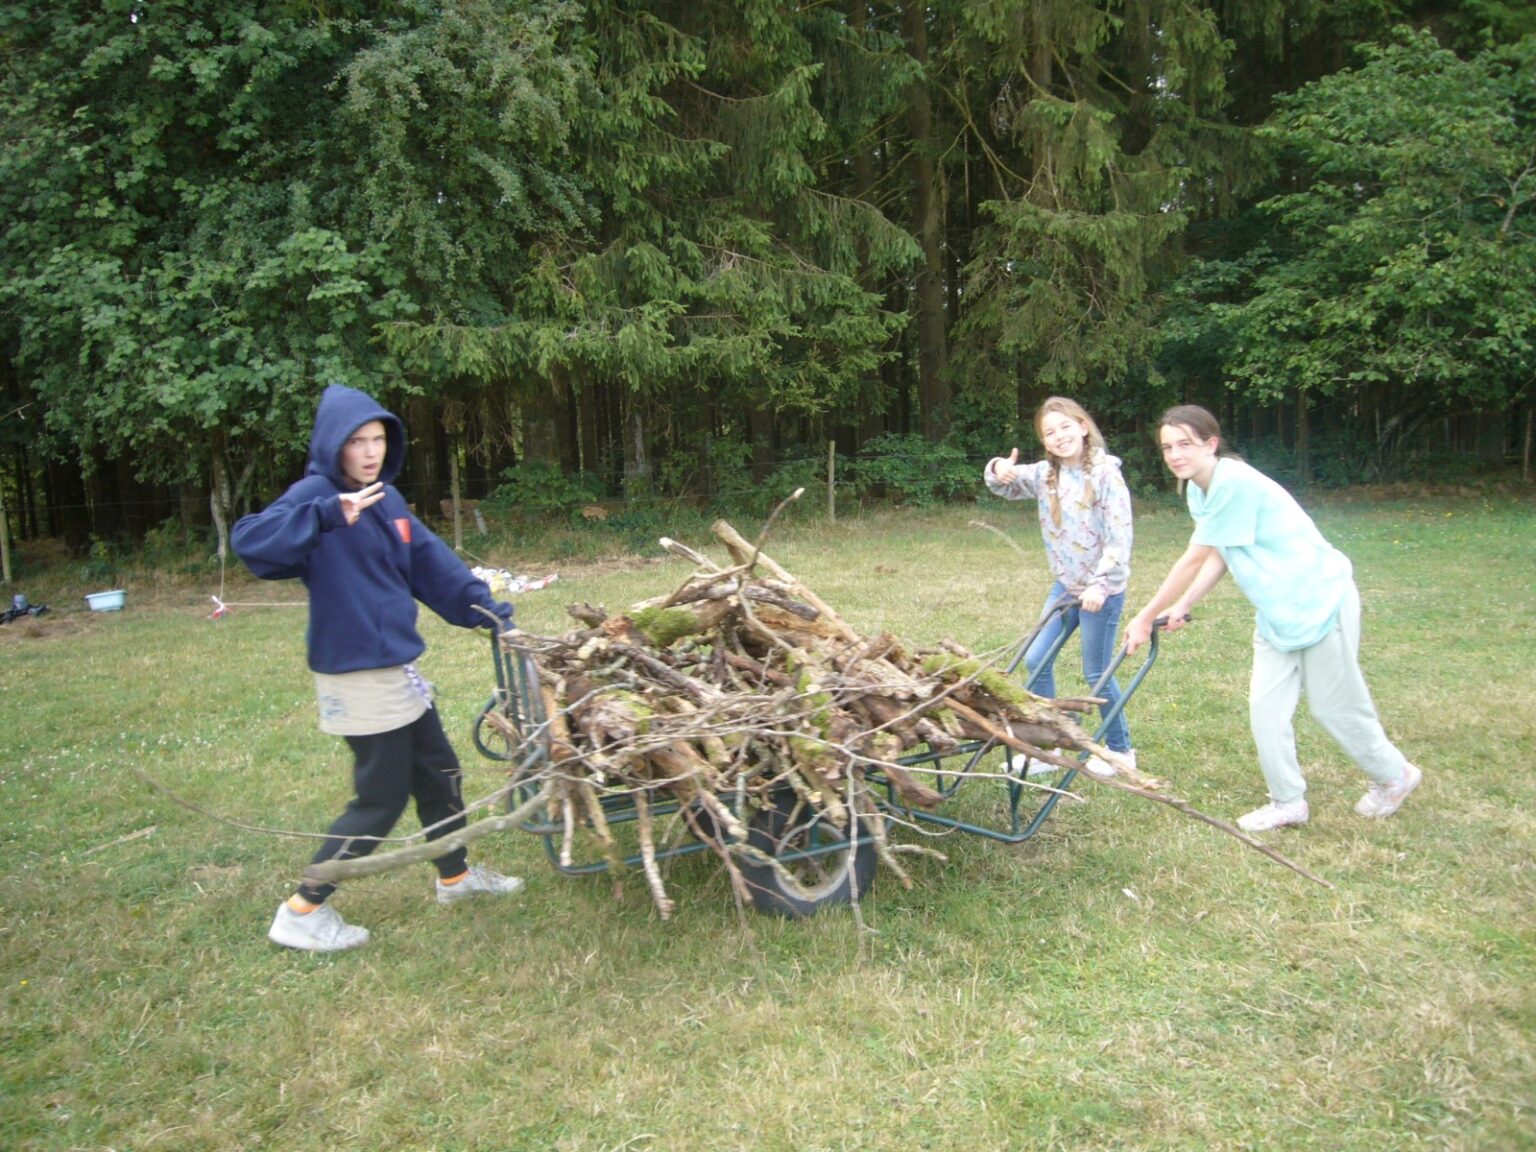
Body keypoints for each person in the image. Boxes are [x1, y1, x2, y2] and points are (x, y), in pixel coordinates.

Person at [232, 383, 525, 951]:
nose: (369, 452)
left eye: (378, 439)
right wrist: (326, 515)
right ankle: (301, 911)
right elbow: (252, 543)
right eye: (356, 441)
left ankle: (456, 878)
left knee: (439, 774)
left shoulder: (385, 499)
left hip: (396, 669)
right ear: (332, 445)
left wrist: (491, 613)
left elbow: (431, 566)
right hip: (356, 673)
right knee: (380, 799)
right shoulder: (316, 495)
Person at [1123, 404, 1423, 832]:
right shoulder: (1197, 490)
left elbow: (1193, 557)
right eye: (1167, 447)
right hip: (1277, 610)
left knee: (1334, 706)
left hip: (1319, 599)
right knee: (1266, 707)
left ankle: (1395, 776)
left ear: (1210, 444)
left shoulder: (1233, 482)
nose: (1174, 455)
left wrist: (1144, 615)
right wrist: (1185, 602)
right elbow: (1220, 548)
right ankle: (1288, 802)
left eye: (1184, 444)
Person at [984, 396, 1135, 778]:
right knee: (1036, 660)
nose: (1059, 436)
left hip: (1101, 593)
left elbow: (1119, 539)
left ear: (1083, 427)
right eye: (1050, 432)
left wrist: (1100, 585)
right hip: (1065, 587)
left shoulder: (1106, 475)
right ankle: (1050, 746)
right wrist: (999, 467)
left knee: (1097, 673)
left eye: (1065, 426)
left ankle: (1121, 751)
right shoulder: (1045, 475)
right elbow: (1003, 485)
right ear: (1044, 441)